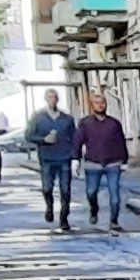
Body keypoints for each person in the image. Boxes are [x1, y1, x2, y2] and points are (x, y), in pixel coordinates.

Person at [75, 93, 132, 230]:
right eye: (97, 103)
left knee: (115, 195)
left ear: (106, 105)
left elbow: (121, 142)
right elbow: (77, 142)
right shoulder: (85, 123)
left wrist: (124, 160)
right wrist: (75, 159)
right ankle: (94, 210)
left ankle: (114, 221)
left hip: (113, 163)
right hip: (93, 163)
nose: (100, 105)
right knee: (91, 192)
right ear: (92, 105)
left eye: (102, 103)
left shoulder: (113, 124)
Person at [26, 89, 80, 230]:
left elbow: (74, 138)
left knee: (65, 190)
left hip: (64, 158)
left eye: (54, 97)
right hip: (47, 158)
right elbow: (29, 136)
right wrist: (43, 139)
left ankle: (64, 218)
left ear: (58, 99)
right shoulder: (38, 118)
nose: (52, 100)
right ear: (45, 99)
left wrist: (75, 156)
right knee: (47, 188)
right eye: (49, 97)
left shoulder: (67, 119)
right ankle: (49, 207)